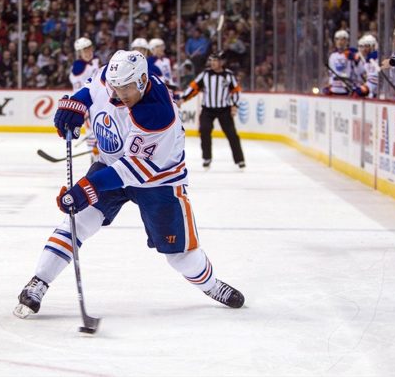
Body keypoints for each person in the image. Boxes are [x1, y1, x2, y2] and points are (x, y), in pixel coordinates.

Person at [14, 50, 245, 319]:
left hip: (158, 180)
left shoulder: (158, 113)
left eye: (126, 88)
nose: (119, 93)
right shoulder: (107, 78)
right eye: (115, 86)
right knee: (76, 223)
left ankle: (211, 285)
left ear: (143, 80)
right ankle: (39, 281)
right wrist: (76, 105)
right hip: (111, 165)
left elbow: (134, 169)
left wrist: (88, 187)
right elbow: (90, 88)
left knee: (179, 255)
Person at [179, 51, 245, 169]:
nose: (212, 63)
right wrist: (183, 99)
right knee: (204, 130)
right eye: (211, 60)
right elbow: (194, 87)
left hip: (224, 109)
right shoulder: (205, 74)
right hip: (208, 109)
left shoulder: (229, 75)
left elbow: (236, 90)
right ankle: (207, 157)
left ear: (222, 62)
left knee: (232, 134)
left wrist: (235, 105)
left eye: (215, 60)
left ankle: (239, 160)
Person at [69, 37, 100, 163]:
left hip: (99, 102)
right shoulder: (78, 66)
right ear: (79, 53)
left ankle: (101, 154)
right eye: (84, 50)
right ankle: (94, 158)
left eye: (88, 49)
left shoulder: (96, 60)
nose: (88, 52)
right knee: (91, 131)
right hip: (86, 104)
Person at [325, 30, 362, 96]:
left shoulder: (353, 53)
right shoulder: (332, 56)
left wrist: (356, 61)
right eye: (337, 39)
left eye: (342, 39)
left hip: (348, 90)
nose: (340, 42)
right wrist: (330, 86)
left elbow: (359, 72)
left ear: (347, 41)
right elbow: (331, 73)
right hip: (335, 89)